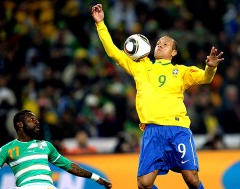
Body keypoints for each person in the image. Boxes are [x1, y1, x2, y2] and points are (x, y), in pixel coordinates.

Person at [91, 4, 224, 189]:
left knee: (192, 180)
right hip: (152, 131)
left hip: (178, 129)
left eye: (166, 44)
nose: (160, 45)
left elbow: (205, 78)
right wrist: (100, 24)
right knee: (144, 184)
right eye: (159, 43)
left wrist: (210, 67)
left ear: (174, 52)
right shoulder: (140, 66)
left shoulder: (181, 71)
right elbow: (113, 51)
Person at [0, 110, 112, 189]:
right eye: (32, 119)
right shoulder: (7, 149)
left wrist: (96, 177)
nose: (37, 122)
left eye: (36, 119)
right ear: (20, 124)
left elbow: (69, 166)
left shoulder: (46, 146)